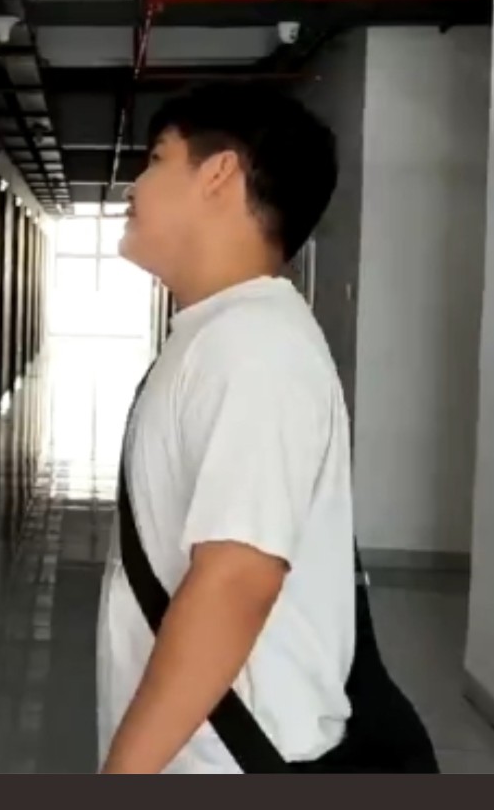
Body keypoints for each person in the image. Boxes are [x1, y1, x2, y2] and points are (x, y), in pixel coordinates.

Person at [98, 82, 353, 774]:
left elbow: (236, 580)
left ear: (218, 173)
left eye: (156, 158)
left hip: (228, 758)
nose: (134, 185)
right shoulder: (224, 332)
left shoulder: (254, 348)